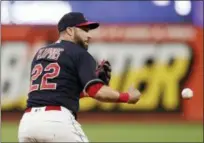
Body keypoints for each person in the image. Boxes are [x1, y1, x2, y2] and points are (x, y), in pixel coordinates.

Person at [18, 12, 141, 142]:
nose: (89, 35)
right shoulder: (80, 53)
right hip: (57, 122)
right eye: (84, 30)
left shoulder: (40, 53)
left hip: (27, 123)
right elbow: (97, 92)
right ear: (70, 31)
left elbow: (57, 91)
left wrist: (84, 91)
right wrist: (127, 97)